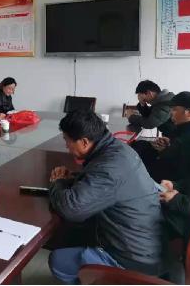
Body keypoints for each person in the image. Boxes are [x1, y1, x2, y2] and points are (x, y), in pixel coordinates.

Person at [48, 110, 163, 284]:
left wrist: (58, 183)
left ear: (84, 142)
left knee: (58, 260)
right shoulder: (117, 149)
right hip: (145, 244)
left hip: (131, 259)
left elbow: (71, 209)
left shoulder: (109, 166)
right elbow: (103, 182)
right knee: (72, 233)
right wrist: (75, 178)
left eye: (67, 141)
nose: (66, 146)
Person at [153, 92, 190, 194]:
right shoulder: (186, 127)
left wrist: (174, 185)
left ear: (188, 112)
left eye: (174, 109)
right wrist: (169, 143)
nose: (171, 113)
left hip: (171, 188)